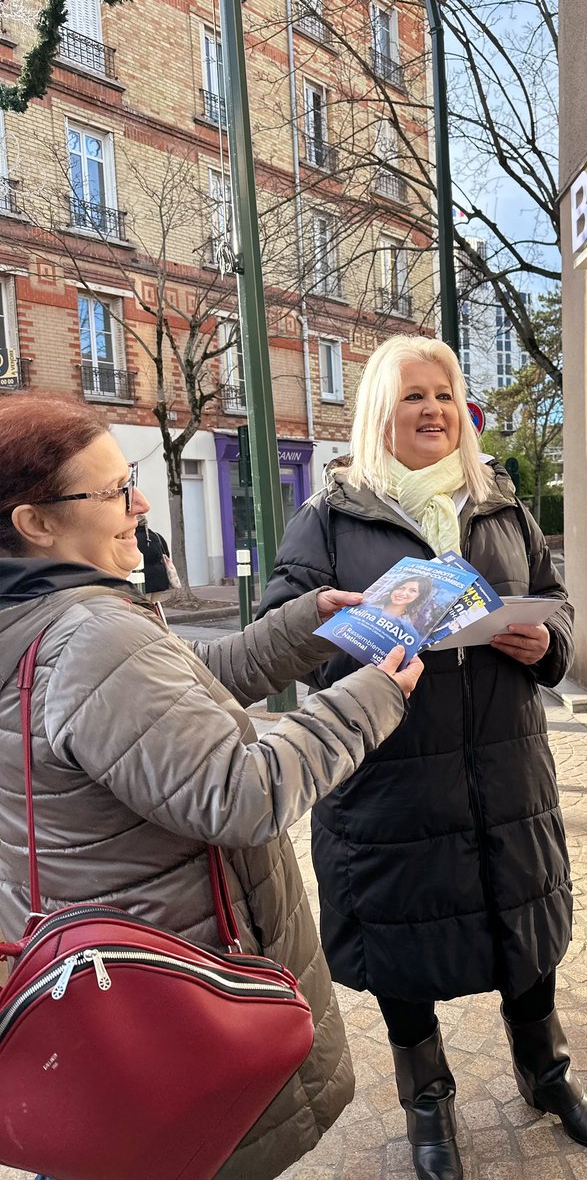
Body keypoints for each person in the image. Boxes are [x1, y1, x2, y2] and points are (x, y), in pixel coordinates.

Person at [0, 393, 423, 1180]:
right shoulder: (90, 632)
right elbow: (239, 792)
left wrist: (303, 630)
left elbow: (163, 712)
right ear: (36, 523)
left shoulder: (35, 618)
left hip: (92, 983)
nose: (140, 504)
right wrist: (374, 694)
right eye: (114, 491)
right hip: (176, 991)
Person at [256, 335, 587, 1180]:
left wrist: (545, 640)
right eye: (413, 395)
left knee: (525, 928)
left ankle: (549, 1075)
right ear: (381, 410)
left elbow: (555, 599)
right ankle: (430, 1106)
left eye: (445, 394)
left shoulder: (498, 503)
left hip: (505, 772)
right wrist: (358, 623)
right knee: (401, 946)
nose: (431, 410)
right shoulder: (332, 515)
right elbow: (288, 628)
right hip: (388, 777)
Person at [135, 512, 175, 600]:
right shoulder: (156, 536)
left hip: (143, 580)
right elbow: (166, 554)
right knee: (155, 604)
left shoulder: (132, 539)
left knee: (146, 606)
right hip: (160, 577)